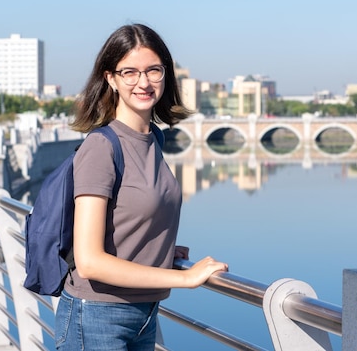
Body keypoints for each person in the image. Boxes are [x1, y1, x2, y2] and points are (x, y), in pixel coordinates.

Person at [55, 24, 228, 350]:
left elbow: (131, 212)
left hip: (144, 314)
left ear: (166, 74)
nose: (144, 82)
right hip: (97, 316)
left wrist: (157, 247)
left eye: (153, 70)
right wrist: (185, 278)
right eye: (130, 72)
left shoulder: (153, 140)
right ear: (111, 79)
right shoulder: (101, 147)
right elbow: (89, 260)